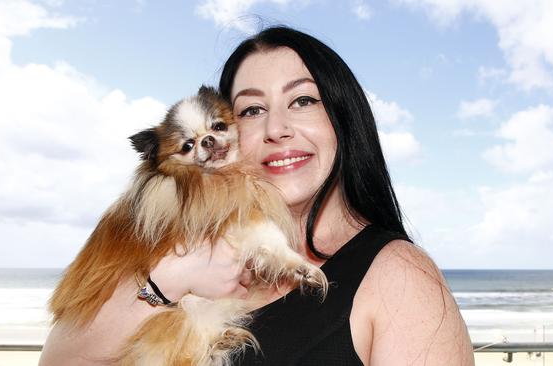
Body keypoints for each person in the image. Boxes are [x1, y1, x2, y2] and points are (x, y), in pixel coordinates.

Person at [39, 26, 474, 366]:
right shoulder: (176, 247)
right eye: (251, 110)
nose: (276, 129)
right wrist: (169, 280)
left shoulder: (400, 276)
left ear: (343, 118)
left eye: (302, 101)